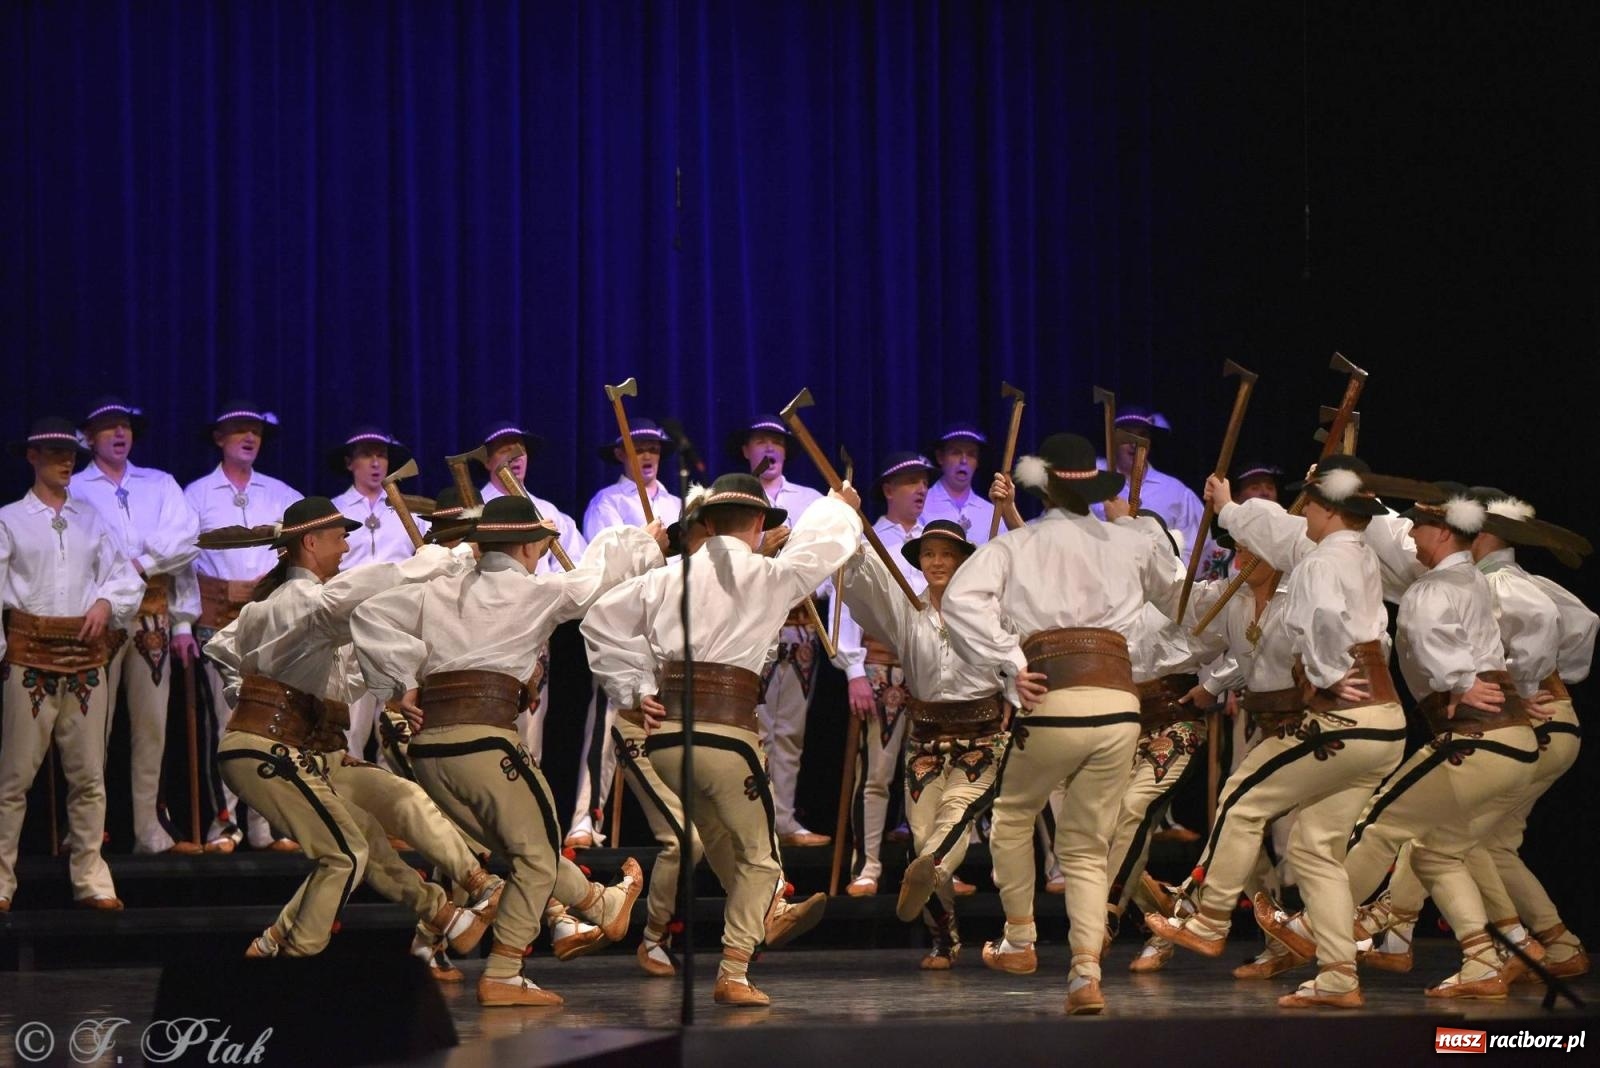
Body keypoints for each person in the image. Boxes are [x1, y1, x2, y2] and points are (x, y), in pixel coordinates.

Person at [353, 494, 664, 1006]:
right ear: (525, 546)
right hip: (486, 743)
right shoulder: (536, 591)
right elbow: (597, 580)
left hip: (430, 751)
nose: (542, 555)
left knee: (522, 850)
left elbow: (368, 615)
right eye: (540, 546)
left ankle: (601, 904)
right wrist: (640, 544)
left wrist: (401, 681)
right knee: (538, 854)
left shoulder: (437, 591)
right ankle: (504, 971)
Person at [583, 472, 862, 1006]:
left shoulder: (667, 577)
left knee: (716, 837)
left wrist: (635, 686)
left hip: (666, 743)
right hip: (726, 738)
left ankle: (768, 910)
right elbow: (827, 545)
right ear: (760, 524)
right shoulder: (770, 575)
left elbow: (599, 622)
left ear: (707, 525)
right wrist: (837, 506)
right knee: (761, 857)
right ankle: (734, 968)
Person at [1148, 458, 1408, 1010]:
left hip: (1345, 717)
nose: (1302, 514)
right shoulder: (1362, 554)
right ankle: (1339, 973)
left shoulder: (1316, 566)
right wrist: (1229, 508)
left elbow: (1324, 626)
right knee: (1315, 847)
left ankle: (1211, 917)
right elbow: (1283, 536)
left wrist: (1327, 677)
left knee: (1241, 797)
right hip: (1388, 722)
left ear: (1330, 509)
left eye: (1310, 503)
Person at [942, 432, 1182, 1015]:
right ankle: (1084, 972)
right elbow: (1177, 591)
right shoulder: (1129, 541)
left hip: (1055, 696)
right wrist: (1137, 527)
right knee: (1086, 843)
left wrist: (1011, 662)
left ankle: (1021, 938)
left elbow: (958, 602)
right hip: (1120, 705)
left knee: (1013, 813)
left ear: (1041, 489)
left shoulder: (1018, 544)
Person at [204, 496, 488, 960]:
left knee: (376, 826)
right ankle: (288, 954)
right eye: (339, 538)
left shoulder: (307, 613)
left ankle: (448, 910)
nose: (347, 547)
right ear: (311, 542)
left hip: (305, 752)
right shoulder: (301, 602)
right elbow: (378, 585)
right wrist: (445, 554)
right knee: (345, 854)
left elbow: (231, 648)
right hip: (264, 750)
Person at [842, 518, 1006, 968]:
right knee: (920, 836)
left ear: (962, 561)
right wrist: (852, 536)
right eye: (929, 554)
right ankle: (944, 935)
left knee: (952, 820)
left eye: (947, 554)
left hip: (981, 737)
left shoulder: (989, 611)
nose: (937, 562)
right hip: (927, 739)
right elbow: (863, 593)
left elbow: (1017, 651)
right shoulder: (907, 614)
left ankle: (930, 875)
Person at [0, 417, 144, 912]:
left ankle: (90, 876)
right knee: (14, 778)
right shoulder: (9, 520)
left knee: (88, 776)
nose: (66, 461)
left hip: (84, 658)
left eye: (71, 454)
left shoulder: (90, 519)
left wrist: (105, 602)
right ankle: (1, 879)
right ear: (32, 458)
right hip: (31, 655)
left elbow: (124, 576)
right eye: (56, 453)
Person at [69, 396, 203, 854]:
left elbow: (186, 542)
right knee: (90, 727)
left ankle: (148, 827)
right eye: (108, 428)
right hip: (96, 615)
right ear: (88, 438)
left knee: (151, 725)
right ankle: (85, 828)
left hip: (151, 613)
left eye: (124, 426)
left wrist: (182, 621)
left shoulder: (159, 484)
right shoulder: (75, 487)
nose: (119, 434)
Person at [734, 414, 865, 851]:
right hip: (750, 627)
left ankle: (784, 819)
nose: (769, 449)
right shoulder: (738, 499)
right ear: (746, 451)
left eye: (776, 441)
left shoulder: (810, 501)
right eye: (759, 441)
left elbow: (829, 569)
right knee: (754, 730)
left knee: (789, 732)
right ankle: (753, 825)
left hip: (798, 627)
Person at [183, 400, 301, 852]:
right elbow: (183, 561)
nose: (249, 438)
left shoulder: (280, 494)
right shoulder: (196, 494)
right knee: (227, 722)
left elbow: (302, 548)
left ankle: (266, 824)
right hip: (220, 620)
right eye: (239, 431)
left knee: (270, 722)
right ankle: (225, 824)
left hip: (268, 620)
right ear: (219, 439)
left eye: (255, 431)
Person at [565, 418, 681, 849]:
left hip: (664, 625)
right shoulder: (607, 503)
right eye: (637, 448)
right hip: (624, 623)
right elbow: (606, 566)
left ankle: (678, 819)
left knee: (660, 718)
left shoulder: (676, 505)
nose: (647, 455)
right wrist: (647, 549)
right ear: (620, 455)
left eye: (653, 448)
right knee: (608, 718)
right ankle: (585, 817)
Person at [842, 452, 936, 894]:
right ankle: (868, 866)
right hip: (881, 669)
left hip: (928, 672)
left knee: (926, 770)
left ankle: (930, 866)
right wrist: (853, 671)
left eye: (924, 482)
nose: (920, 489)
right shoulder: (869, 541)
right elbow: (847, 604)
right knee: (877, 774)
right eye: (910, 482)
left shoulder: (935, 543)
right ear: (888, 490)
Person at [475, 419, 588, 760]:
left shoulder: (548, 512)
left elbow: (575, 568)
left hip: (534, 631)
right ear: (487, 459)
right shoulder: (472, 505)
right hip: (481, 628)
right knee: (482, 728)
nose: (516, 456)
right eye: (505, 449)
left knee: (529, 739)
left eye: (520, 449)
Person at [327, 425, 425, 763]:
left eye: (380, 454)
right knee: (350, 727)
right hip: (349, 629)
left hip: (395, 629)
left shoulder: (408, 511)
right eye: (366, 455)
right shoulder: (334, 510)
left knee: (395, 728)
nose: (375, 462)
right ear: (349, 462)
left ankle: (393, 808)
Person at [1092, 406, 1205, 556]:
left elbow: (1193, 548)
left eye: (1142, 435)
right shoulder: (1093, 484)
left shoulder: (1175, 492)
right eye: (1127, 435)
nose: (1134, 443)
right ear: (1113, 439)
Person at [920, 422, 996, 545]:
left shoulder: (992, 513)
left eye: (971, 454)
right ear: (940, 457)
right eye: (956, 453)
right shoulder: (919, 506)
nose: (964, 460)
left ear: (977, 462)